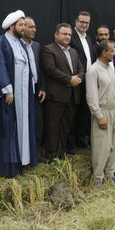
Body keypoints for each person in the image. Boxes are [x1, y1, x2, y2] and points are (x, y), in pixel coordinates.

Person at [0, 10, 37, 177]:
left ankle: (24, 161)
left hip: (25, 96)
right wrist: (8, 90)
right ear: (12, 26)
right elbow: (1, 67)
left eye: (25, 25)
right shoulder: (2, 42)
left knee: (25, 127)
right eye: (21, 25)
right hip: (11, 95)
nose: (24, 28)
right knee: (10, 129)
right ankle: (10, 163)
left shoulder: (20, 43)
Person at [40, 23, 83, 160]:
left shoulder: (73, 51)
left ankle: (61, 153)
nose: (67, 37)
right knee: (53, 127)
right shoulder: (48, 49)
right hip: (56, 96)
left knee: (66, 126)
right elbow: (50, 69)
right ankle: (51, 155)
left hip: (72, 96)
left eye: (69, 34)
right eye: (64, 34)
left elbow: (81, 69)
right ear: (56, 35)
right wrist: (69, 79)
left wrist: (78, 79)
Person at [86, 40, 115, 187]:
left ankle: (110, 173)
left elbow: (114, 90)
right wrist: (99, 116)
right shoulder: (93, 70)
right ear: (103, 53)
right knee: (102, 146)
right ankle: (98, 178)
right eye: (112, 51)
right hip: (103, 112)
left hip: (113, 111)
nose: (114, 53)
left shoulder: (110, 68)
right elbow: (92, 97)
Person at [69, 11, 94, 149]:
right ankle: (72, 144)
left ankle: (81, 142)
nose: (84, 25)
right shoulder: (70, 37)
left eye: (87, 23)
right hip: (76, 81)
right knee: (74, 114)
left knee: (84, 113)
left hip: (88, 82)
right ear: (76, 22)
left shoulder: (88, 39)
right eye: (82, 22)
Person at [21, 16, 46, 155]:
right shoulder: (16, 45)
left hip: (36, 90)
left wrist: (42, 87)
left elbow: (40, 69)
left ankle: (35, 155)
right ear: (23, 27)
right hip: (22, 91)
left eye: (35, 27)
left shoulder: (36, 46)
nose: (34, 30)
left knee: (38, 124)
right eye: (31, 27)